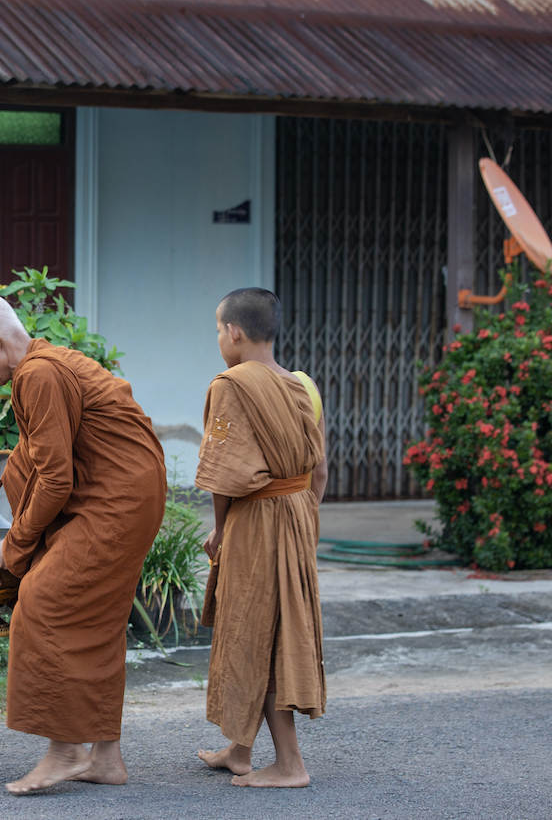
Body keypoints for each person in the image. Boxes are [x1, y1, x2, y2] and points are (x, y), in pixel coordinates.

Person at [0, 292, 167, 794]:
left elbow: (54, 479)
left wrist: (14, 547)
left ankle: (66, 751)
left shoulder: (37, 373)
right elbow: (41, 457)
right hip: (127, 493)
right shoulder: (45, 362)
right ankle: (105, 759)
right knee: (98, 619)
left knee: (44, 604)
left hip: (115, 501)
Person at [194, 287, 328, 788]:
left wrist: (223, 531)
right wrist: (303, 521)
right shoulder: (302, 384)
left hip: (256, 520)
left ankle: (290, 765)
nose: (218, 339)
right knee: (264, 626)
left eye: (216, 329)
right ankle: (240, 750)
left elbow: (224, 474)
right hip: (296, 514)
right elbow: (320, 472)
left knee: (259, 633)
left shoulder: (230, 384)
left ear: (234, 332)